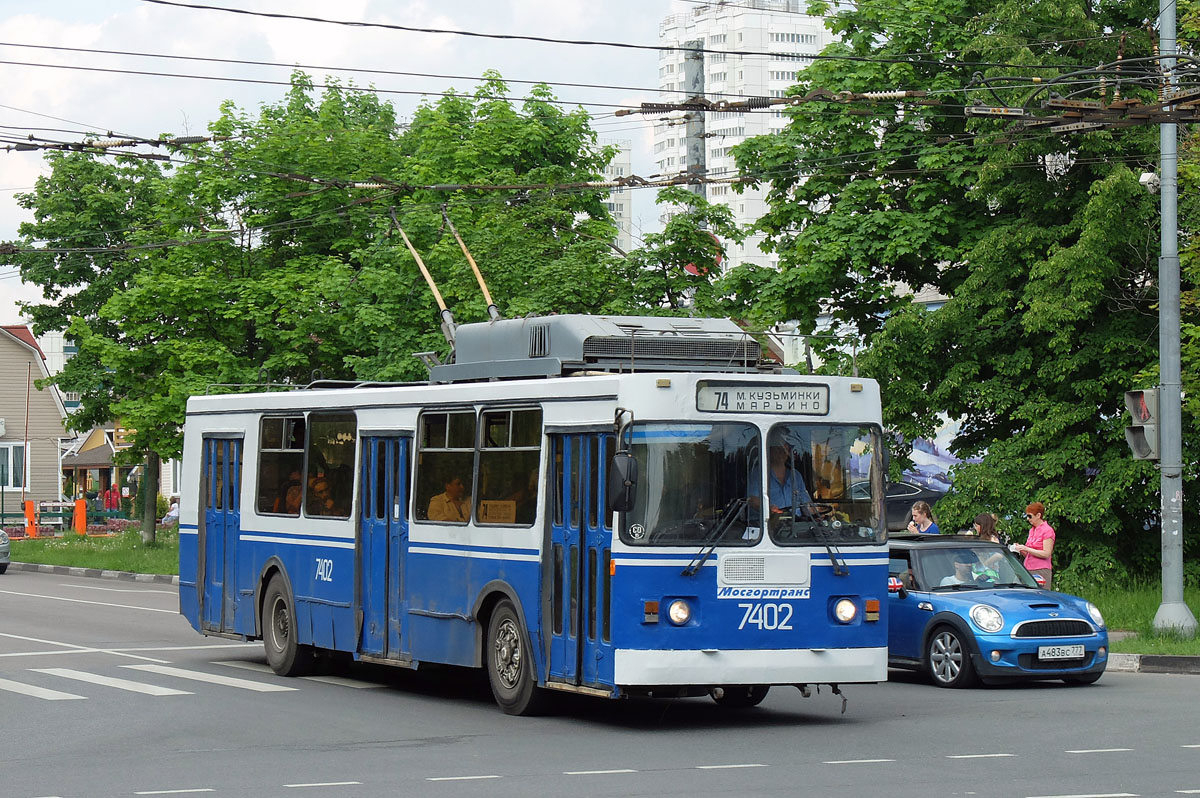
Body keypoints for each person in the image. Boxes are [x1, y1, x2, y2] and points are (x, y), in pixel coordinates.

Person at [1013, 501, 1055, 589]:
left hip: (1041, 569)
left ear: (1038, 515)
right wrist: (1020, 549)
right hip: (1028, 568)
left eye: (1030, 516)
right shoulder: (1032, 530)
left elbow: (1046, 553)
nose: (1028, 519)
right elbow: (1029, 554)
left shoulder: (1048, 530)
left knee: (1041, 596)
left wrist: (1026, 549)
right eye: (1027, 516)